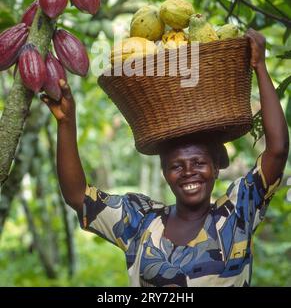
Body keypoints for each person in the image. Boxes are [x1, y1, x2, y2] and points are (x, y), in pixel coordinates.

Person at [40, 28, 289, 287]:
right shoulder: (140, 221)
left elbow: (278, 150)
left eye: (199, 163)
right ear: (164, 172)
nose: (189, 172)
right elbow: (78, 196)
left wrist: (259, 65)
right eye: (176, 166)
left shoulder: (236, 214)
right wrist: (66, 123)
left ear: (216, 167)